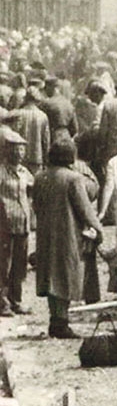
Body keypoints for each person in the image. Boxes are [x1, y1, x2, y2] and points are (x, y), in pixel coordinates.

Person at [32, 137, 104, 337]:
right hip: (67, 232)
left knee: (51, 275)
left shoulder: (40, 177)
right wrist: (98, 229)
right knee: (64, 274)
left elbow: (35, 205)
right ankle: (61, 324)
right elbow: (85, 209)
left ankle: (56, 320)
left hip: (46, 232)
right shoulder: (73, 178)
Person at [0, 128, 35, 315]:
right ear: (6, 151)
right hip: (5, 226)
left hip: (23, 224)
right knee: (4, 265)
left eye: (22, 150)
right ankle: (3, 302)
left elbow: (33, 189)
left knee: (20, 266)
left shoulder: (24, 172)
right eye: (15, 150)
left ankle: (16, 300)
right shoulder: (1, 172)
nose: (19, 154)